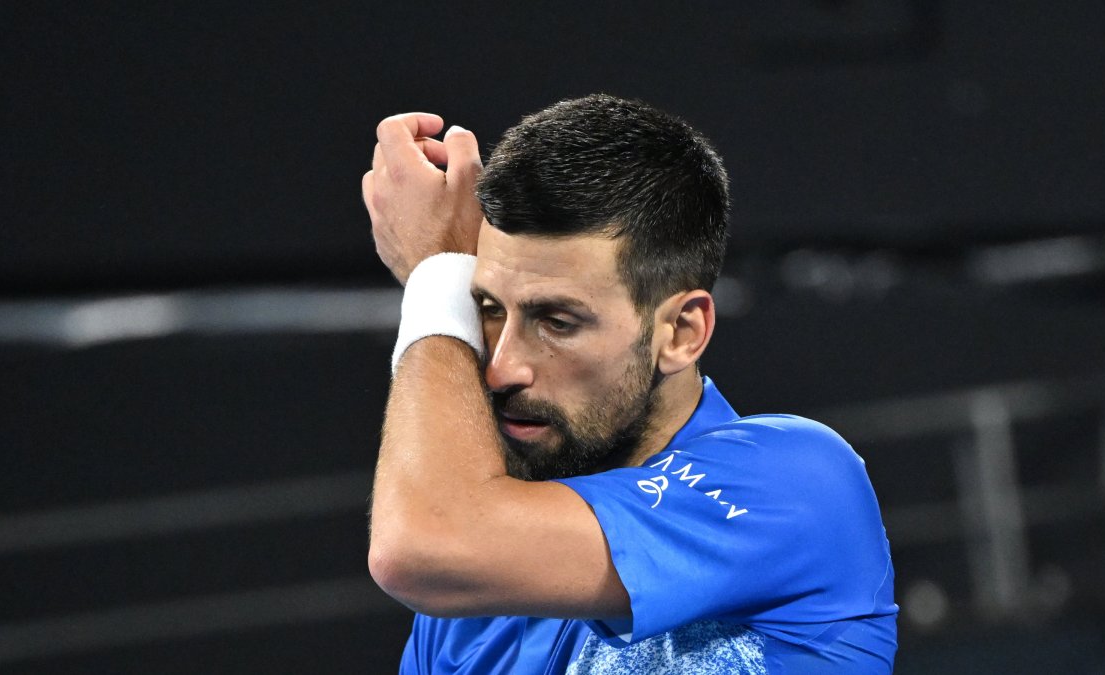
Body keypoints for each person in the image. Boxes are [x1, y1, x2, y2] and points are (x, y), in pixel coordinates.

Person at [361, 94, 898, 674]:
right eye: (487, 309)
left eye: (558, 322)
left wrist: (436, 276)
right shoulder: (468, 611)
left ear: (681, 332)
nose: (501, 367)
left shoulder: (794, 483)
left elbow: (423, 544)